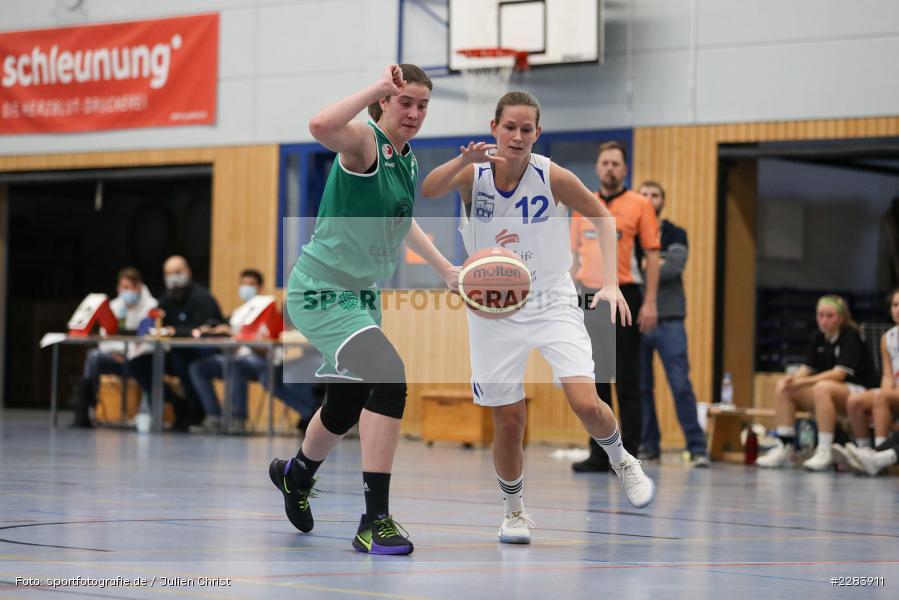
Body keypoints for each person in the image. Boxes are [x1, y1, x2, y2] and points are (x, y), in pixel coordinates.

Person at [421, 91, 655, 545]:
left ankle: (623, 460)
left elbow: (603, 218)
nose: (517, 136)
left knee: (586, 402)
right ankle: (514, 511)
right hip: (493, 308)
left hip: (551, 298)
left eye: (527, 129)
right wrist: (458, 162)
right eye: (509, 127)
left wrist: (610, 283)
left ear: (537, 134)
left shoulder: (552, 175)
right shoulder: (475, 173)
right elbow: (428, 189)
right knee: (508, 420)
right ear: (495, 127)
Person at [270, 64, 457, 555]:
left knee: (346, 402)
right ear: (384, 103)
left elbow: (402, 221)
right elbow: (319, 126)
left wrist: (446, 270)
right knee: (389, 375)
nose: (414, 112)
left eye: (422, 105)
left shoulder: (406, 159)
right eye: (405, 102)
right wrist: (374, 88)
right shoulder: (364, 143)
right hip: (321, 288)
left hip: (359, 293)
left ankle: (296, 475)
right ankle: (375, 520)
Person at [570, 141, 661, 472]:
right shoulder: (582, 205)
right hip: (588, 297)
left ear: (625, 169)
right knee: (594, 381)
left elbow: (651, 256)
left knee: (627, 380)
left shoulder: (640, 205)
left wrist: (650, 301)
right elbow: (574, 256)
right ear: (597, 168)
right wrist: (569, 300)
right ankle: (599, 453)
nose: (610, 168)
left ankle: (628, 455)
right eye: (605, 163)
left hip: (625, 297)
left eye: (616, 164)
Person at [189, 269, 322, 433]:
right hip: (246, 356)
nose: (246, 288)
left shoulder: (269, 306)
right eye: (244, 284)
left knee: (265, 372)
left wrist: (240, 337)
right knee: (199, 367)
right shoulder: (242, 312)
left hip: (293, 357)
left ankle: (239, 418)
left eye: (251, 284)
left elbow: (274, 338)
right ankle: (215, 417)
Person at [756, 295, 878, 470]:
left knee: (821, 388)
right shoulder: (818, 337)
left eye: (830, 316)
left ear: (841, 317)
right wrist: (794, 379)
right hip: (830, 391)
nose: (824, 320)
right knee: (784, 387)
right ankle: (785, 446)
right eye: (820, 315)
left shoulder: (851, 336)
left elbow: (839, 374)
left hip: (859, 390)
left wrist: (805, 381)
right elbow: (807, 367)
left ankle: (824, 449)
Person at [634, 181, 709, 467]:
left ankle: (697, 447)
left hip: (670, 319)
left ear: (663, 201)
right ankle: (649, 445)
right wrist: (655, 262)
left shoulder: (676, 232)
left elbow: (674, 267)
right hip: (636, 319)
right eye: (644, 194)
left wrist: (644, 264)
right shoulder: (629, 232)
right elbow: (623, 266)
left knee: (680, 384)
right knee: (642, 387)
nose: (649, 199)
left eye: (655, 194)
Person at [73, 267, 157, 428]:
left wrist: (129, 352)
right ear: (118, 288)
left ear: (139, 287)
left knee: (146, 364)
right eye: (124, 287)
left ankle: (145, 416)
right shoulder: (114, 306)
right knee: (94, 357)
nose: (127, 292)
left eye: (131, 288)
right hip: (116, 357)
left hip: (140, 359)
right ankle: (87, 410)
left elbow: (148, 338)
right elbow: (105, 338)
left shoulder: (151, 307)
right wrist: (117, 351)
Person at [833, 288, 899, 470]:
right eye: (895, 305)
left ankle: (877, 458)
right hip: (893, 390)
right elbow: (887, 373)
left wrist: (886, 396)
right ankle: (863, 453)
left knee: (880, 398)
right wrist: (887, 392)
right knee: (855, 401)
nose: (897, 309)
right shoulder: (888, 338)